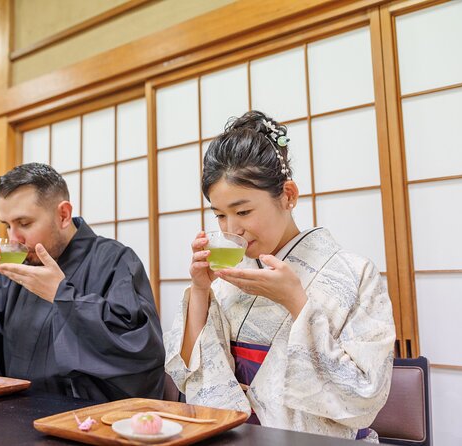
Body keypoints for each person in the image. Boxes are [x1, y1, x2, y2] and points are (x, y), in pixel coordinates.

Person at [163, 111, 395, 441]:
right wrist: (200, 290)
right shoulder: (230, 282)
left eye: (243, 211)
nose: (232, 228)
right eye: (220, 215)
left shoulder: (357, 274)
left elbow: (365, 397)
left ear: (288, 195)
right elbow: (190, 373)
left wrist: (296, 302)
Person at [0, 163, 165, 401]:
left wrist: (61, 294)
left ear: (63, 215)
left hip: (84, 420)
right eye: (7, 226)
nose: (14, 238)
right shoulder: (19, 268)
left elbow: (140, 349)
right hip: (13, 416)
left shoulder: (114, 260)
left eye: (24, 223)